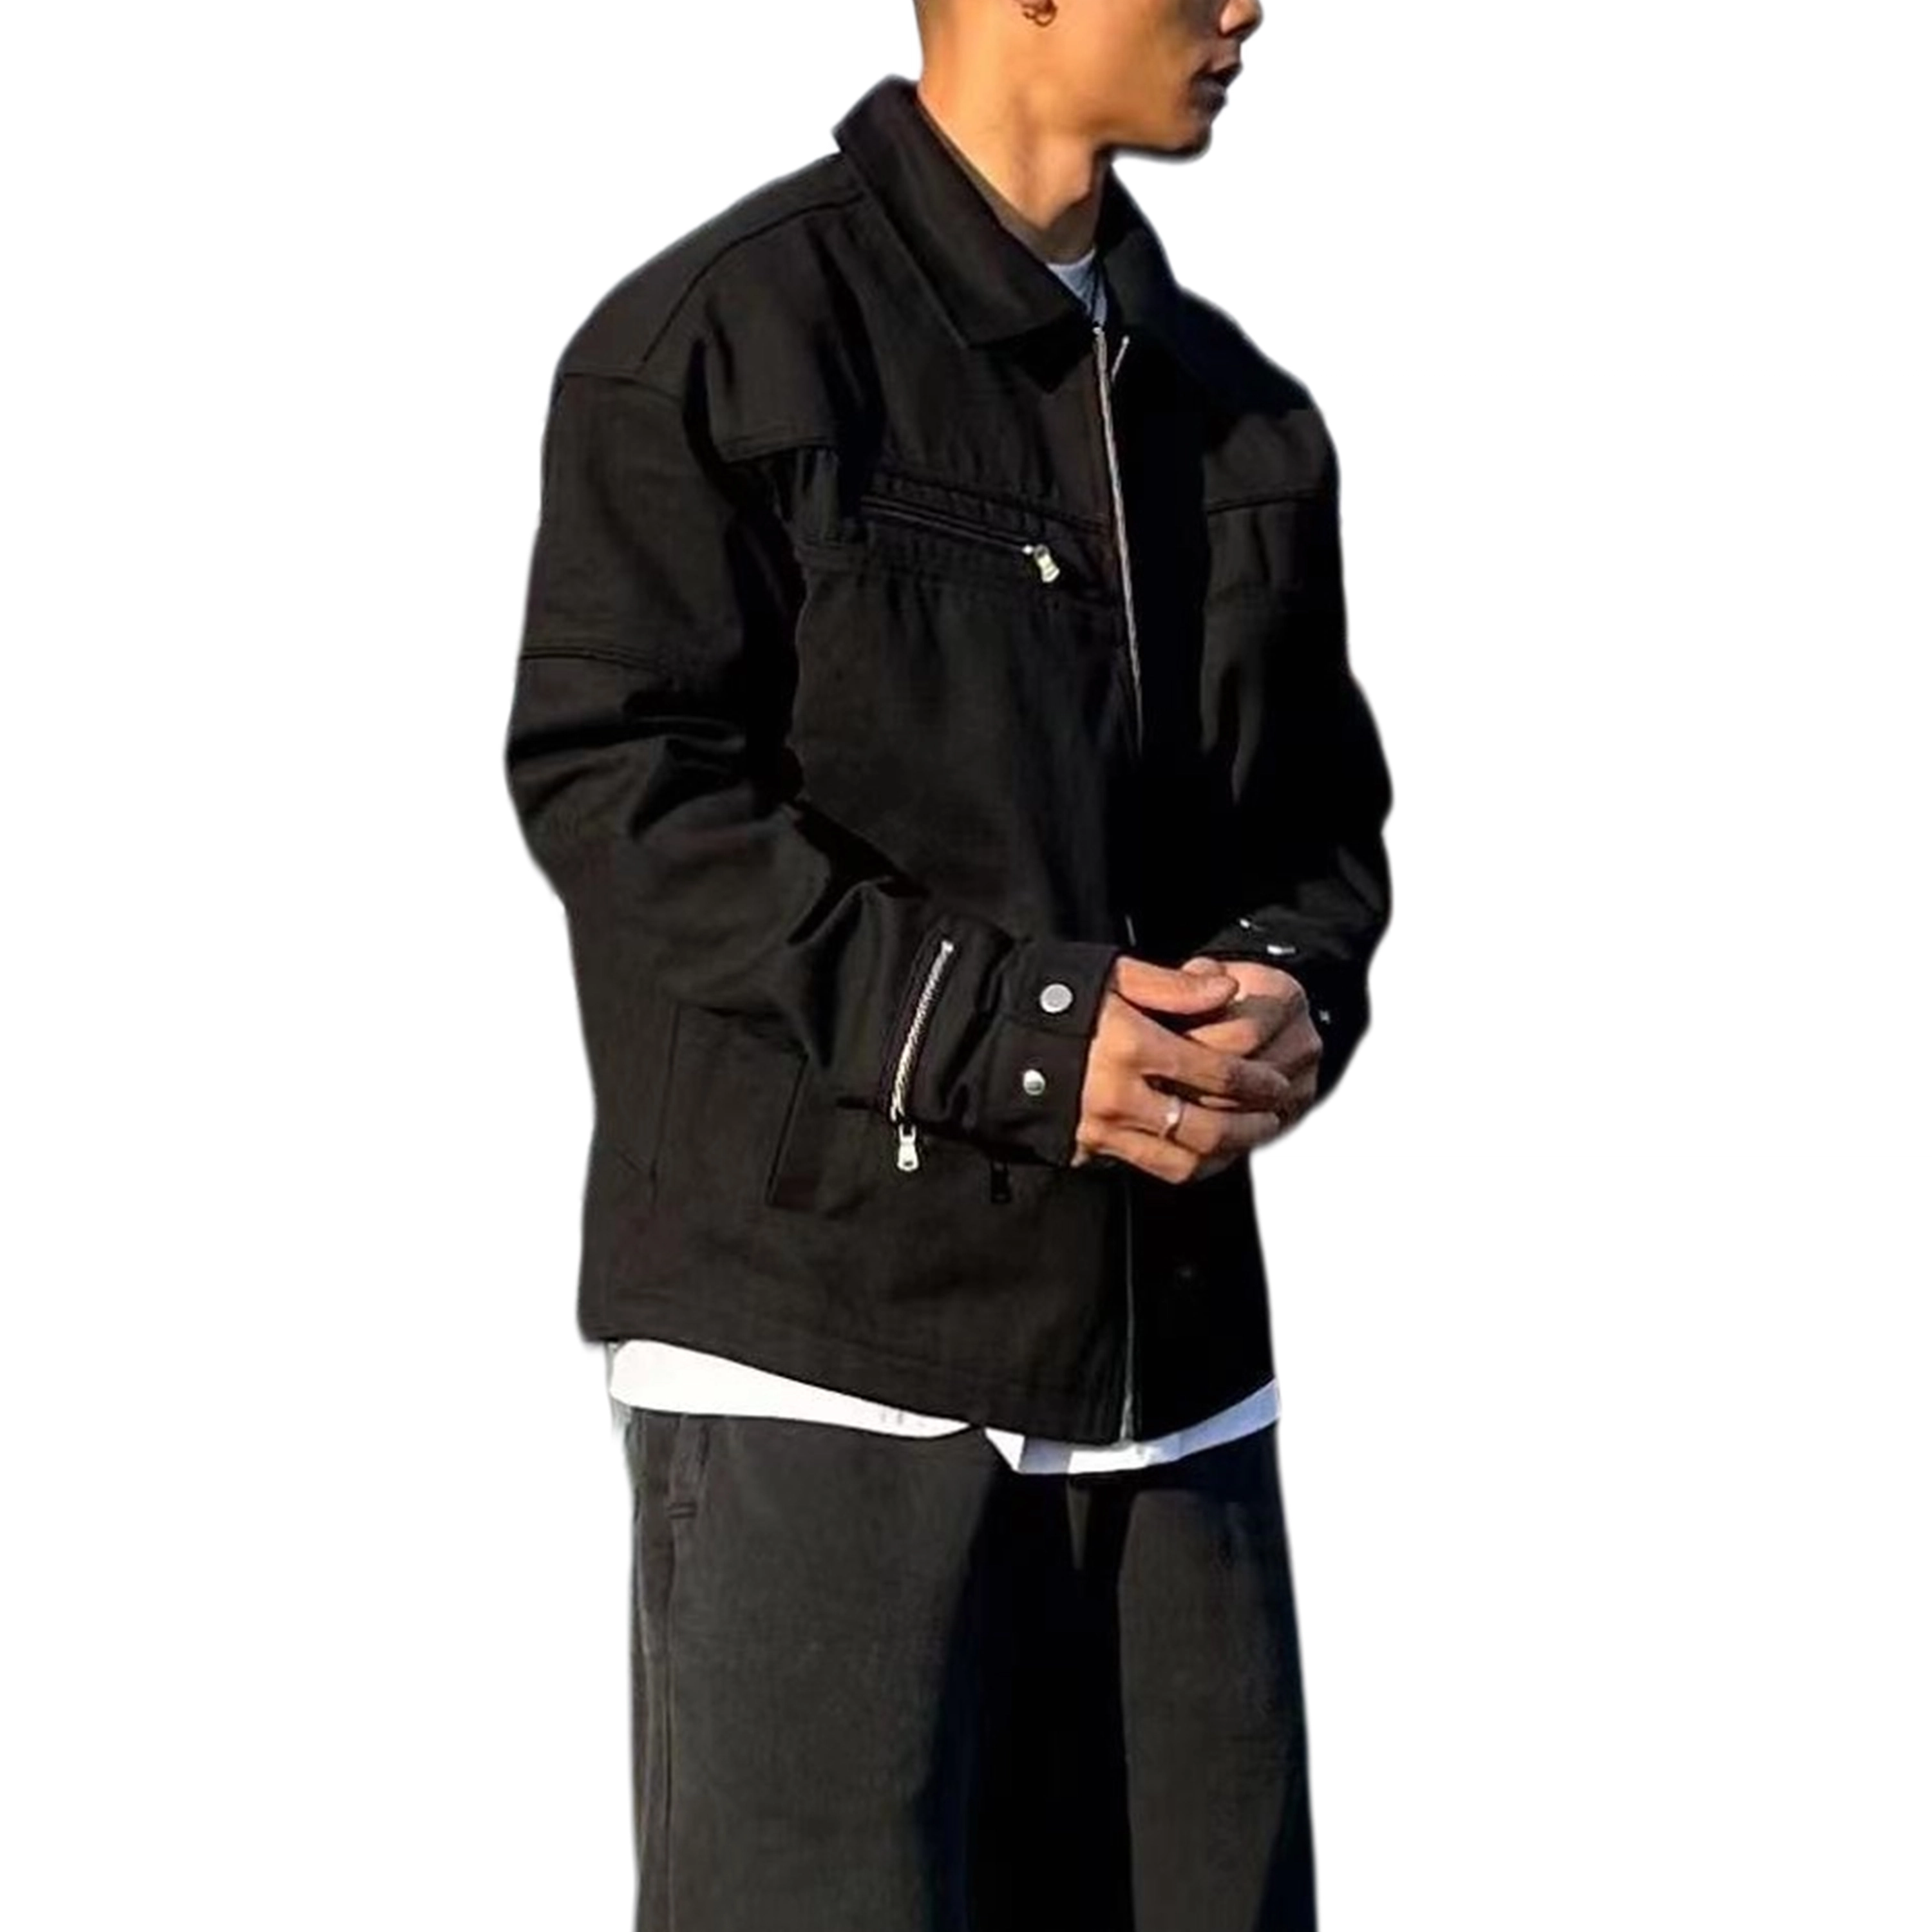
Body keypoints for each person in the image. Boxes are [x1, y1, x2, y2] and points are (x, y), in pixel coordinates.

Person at [502, 1, 1394, 1925]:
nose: (1247, 7)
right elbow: (624, 791)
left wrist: (1286, 988)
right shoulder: (720, 346)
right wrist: (1019, 1034)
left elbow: (1317, 835)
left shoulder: (1236, 411)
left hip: (1173, 1385)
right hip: (824, 1366)